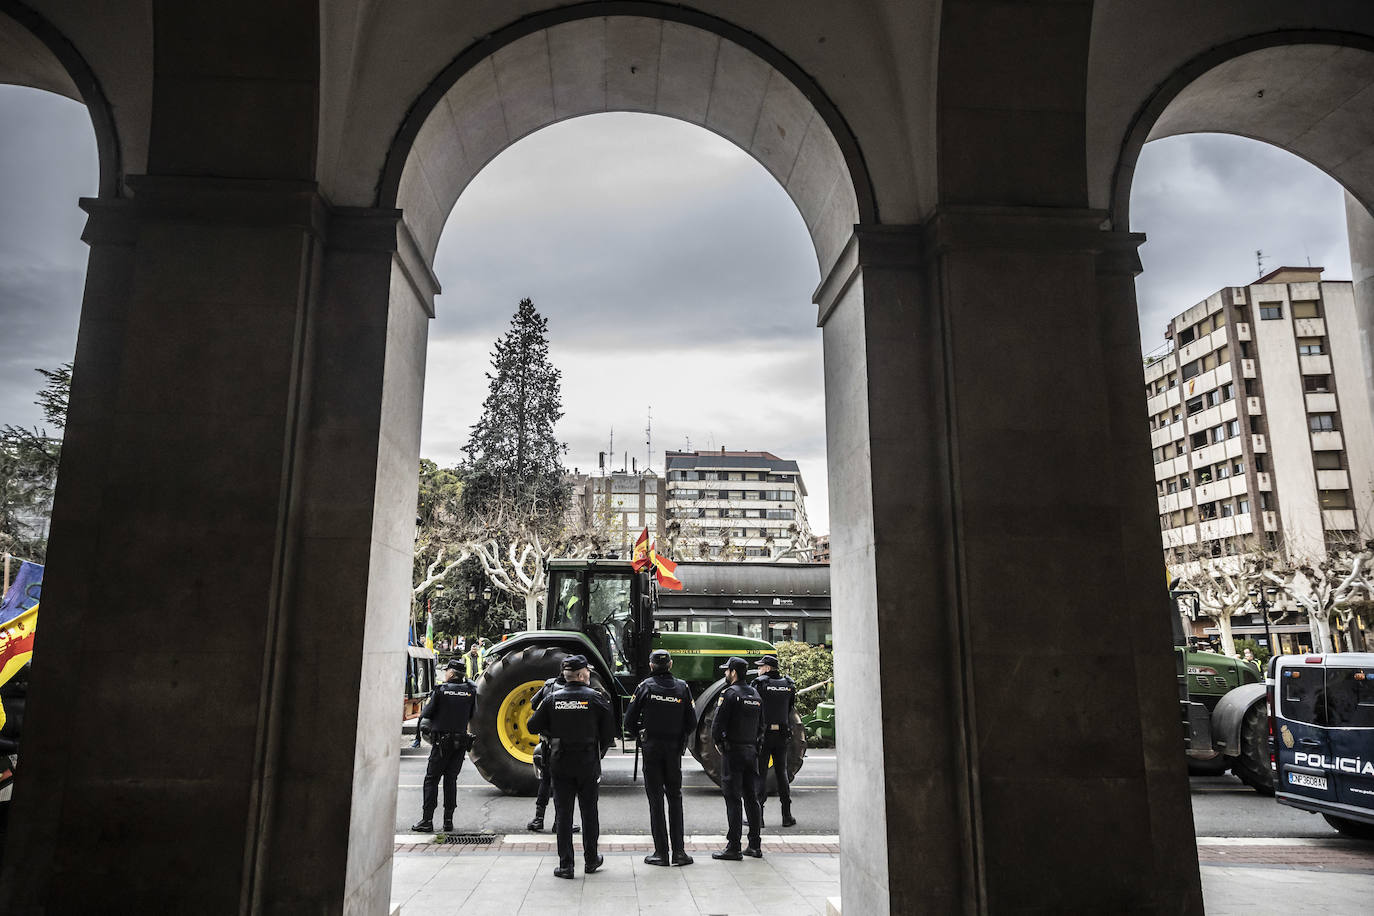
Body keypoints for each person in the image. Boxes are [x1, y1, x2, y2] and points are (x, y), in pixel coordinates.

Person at [527, 654, 616, 879]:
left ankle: (566, 866)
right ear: (581, 675)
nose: (588, 674)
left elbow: (531, 726)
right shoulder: (596, 698)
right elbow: (608, 735)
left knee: (564, 814)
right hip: (587, 763)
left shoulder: (552, 698)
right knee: (589, 812)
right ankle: (591, 859)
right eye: (587, 671)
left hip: (559, 761)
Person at [625, 648, 697, 867]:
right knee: (675, 798)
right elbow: (692, 723)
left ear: (650, 666)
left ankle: (661, 853)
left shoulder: (644, 687)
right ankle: (679, 853)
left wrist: (642, 733)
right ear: (671, 664)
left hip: (652, 748)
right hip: (674, 749)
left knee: (656, 800)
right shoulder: (683, 687)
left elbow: (629, 722)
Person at [411, 658, 477, 833]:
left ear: (452, 673)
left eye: (447, 671)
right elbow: (472, 714)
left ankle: (427, 820)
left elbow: (426, 713)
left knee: (431, 780)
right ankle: (448, 821)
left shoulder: (441, 690)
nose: (446, 673)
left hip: (441, 743)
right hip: (460, 743)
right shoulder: (470, 691)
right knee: (451, 780)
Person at [710, 656, 765, 861]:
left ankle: (733, 846)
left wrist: (721, 745)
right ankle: (755, 845)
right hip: (751, 752)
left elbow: (717, 725)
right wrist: (755, 746)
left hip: (733, 753)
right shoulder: (756, 694)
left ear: (733, 672)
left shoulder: (729, 694)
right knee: (751, 798)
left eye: (727, 671)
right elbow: (762, 726)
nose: (725, 674)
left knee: (733, 799)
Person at [527, 669, 580, 835]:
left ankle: (538, 818)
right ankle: (560, 821)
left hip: (548, 743)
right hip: (567, 745)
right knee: (563, 784)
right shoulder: (578, 691)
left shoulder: (549, 686)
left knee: (545, 780)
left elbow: (534, 704)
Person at [752, 654, 797, 828]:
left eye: (761, 667)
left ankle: (759, 817)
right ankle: (787, 816)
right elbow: (790, 708)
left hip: (764, 735)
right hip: (782, 735)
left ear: (768, 668)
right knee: (781, 773)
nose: (758, 670)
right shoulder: (788, 684)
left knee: (761, 773)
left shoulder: (760, 684)